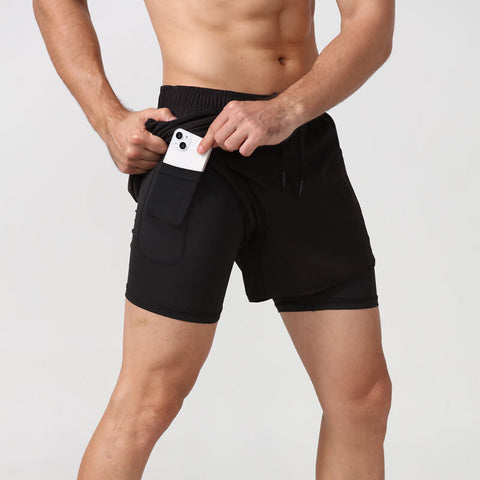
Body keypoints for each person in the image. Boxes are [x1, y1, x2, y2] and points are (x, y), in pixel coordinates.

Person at [33, 0, 395, 478]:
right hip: (201, 141)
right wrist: (107, 118)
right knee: (150, 397)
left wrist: (287, 109)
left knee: (362, 398)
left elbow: (371, 21)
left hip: (300, 136)